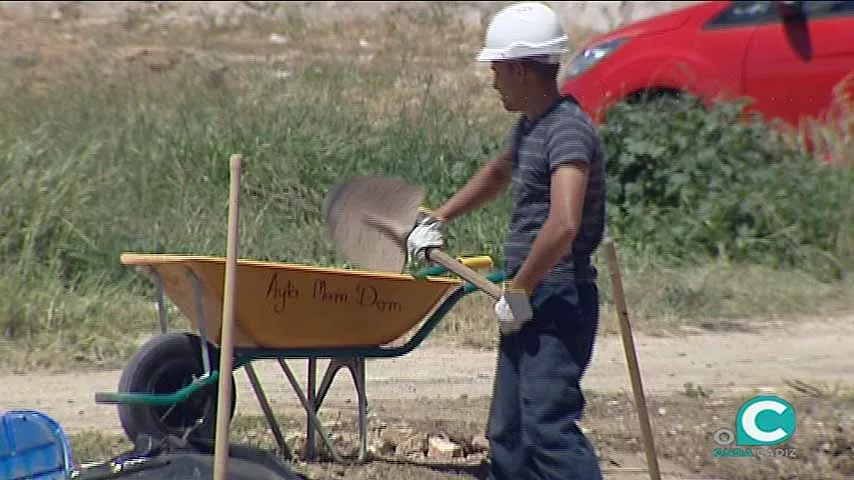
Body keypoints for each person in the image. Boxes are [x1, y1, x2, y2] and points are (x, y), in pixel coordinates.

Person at [406, 2, 606, 479]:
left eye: (497, 69)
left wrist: (520, 288)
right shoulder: (532, 127)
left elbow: (564, 223)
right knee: (509, 432)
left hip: (557, 298)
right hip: (530, 295)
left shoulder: (568, 131)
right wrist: (439, 217)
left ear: (519, 69)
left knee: (546, 428)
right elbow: (499, 172)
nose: (493, 80)